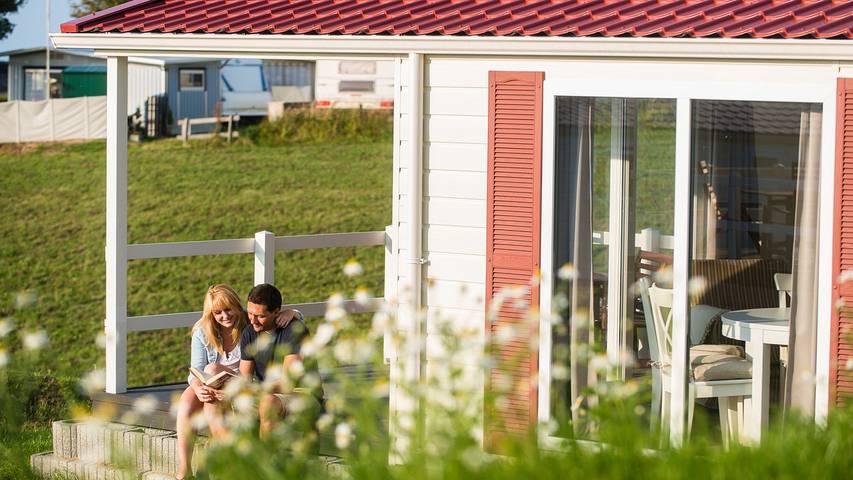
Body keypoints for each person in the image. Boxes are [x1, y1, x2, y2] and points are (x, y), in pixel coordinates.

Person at [175, 284, 299, 480]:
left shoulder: (249, 321)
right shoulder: (202, 331)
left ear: (236, 306)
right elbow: (195, 372)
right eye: (217, 313)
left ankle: (231, 457)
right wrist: (198, 388)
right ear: (210, 313)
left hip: (242, 380)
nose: (225, 316)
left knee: (212, 370)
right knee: (189, 400)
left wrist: (293, 312)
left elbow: (274, 316)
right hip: (212, 382)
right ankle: (184, 470)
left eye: (228, 309)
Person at [239, 283, 324, 439]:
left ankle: (265, 462)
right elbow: (244, 377)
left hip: (301, 393)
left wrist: (258, 390)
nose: (253, 320)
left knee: (268, 403)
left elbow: (288, 382)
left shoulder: (294, 331)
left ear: (276, 312)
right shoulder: (249, 332)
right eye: (250, 313)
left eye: (260, 316)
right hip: (268, 392)